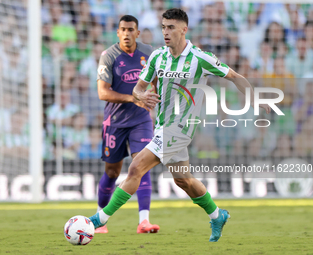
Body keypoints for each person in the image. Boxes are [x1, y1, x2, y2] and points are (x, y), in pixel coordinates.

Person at [88, 8, 271, 242]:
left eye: (171, 27)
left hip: (182, 129)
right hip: (163, 126)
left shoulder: (200, 58)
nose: (165, 32)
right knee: (182, 179)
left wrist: (254, 98)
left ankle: (100, 219)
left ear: (184, 29)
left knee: (136, 167)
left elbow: (234, 76)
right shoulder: (157, 56)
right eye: (164, 27)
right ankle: (217, 215)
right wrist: (139, 96)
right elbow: (138, 87)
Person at [94, 15, 160, 234]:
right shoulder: (109, 56)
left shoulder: (149, 53)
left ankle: (144, 221)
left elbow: (157, 79)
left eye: (131, 29)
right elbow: (102, 92)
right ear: (118, 32)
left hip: (141, 120)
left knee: (141, 165)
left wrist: (155, 97)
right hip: (115, 122)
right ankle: (101, 219)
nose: (126, 33)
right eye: (123, 29)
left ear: (137, 33)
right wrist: (134, 97)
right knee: (112, 172)